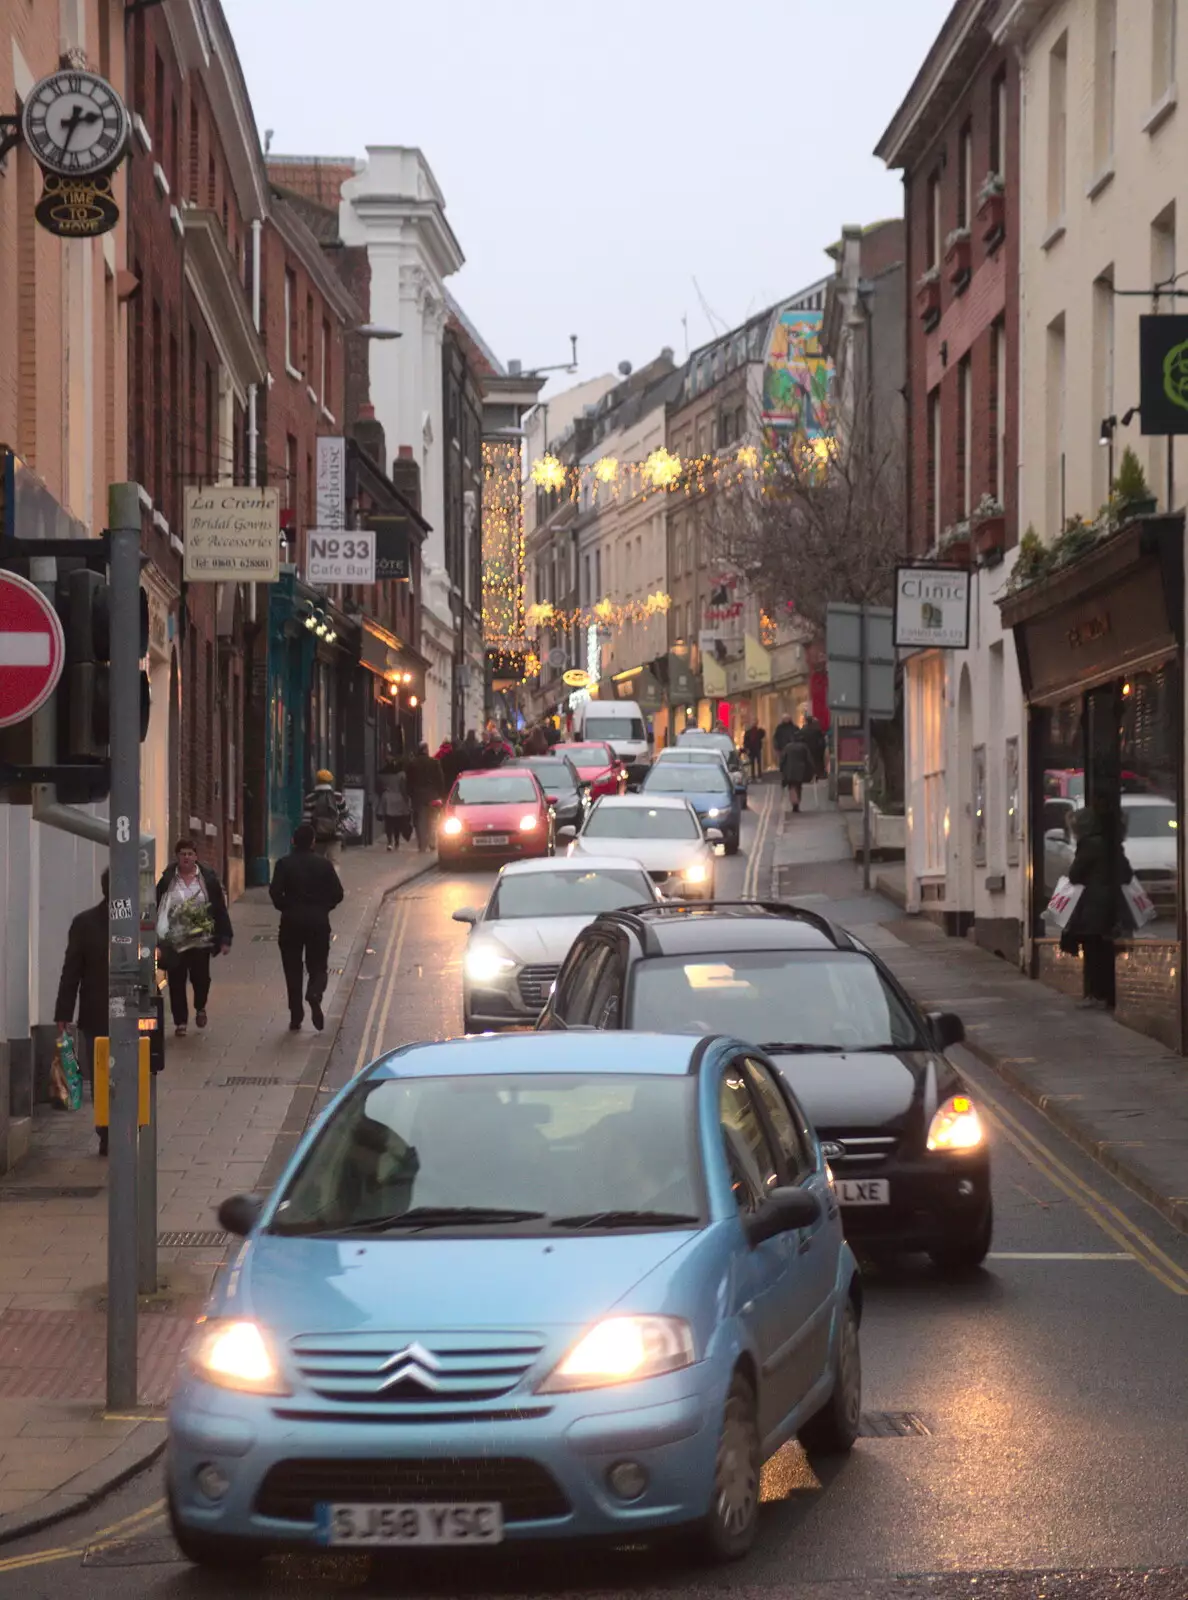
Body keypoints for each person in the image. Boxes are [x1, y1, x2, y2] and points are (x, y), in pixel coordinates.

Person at [54, 868, 112, 1156]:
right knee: (102, 1074)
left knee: (130, 1072)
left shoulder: (142, 922)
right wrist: (63, 1013)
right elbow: (72, 971)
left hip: (134, 1013)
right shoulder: (85, 923)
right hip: (97, 1013)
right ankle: (106, 1131)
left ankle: (128, 1124)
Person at [269, 822, 345, 1031]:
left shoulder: (284, 864)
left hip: (291, 922)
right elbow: (338, 894)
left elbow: (275, 893)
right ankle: (315, 993)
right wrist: (324, 908)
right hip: (318, 923)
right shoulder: (324, 865)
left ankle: (296, 1015)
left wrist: (286, 907)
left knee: (292, 969)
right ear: (313, 841)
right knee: (318, 966)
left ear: (293, 841)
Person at [1061, 803, 1134, 1009]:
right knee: (1106, 949)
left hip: (1093, 906)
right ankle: (1109, 994)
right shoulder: (1112, 844)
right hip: (1112, 905)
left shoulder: (1088, 845)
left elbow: (1075, 875)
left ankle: (1096, 993)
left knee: (1093, 950)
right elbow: (1126, 874)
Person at [156, 840, 233, 1036]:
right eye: (183, 854)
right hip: (176, 939)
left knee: (201, 979)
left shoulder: (206, 880)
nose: (187, 858)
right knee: (176, 980)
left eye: (190, 854)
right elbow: (156, 906)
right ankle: (180, 1021)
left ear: (196, 857)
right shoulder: (168, 880)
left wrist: (224, 938)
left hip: (201, 939)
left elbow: (219, 909)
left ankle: (200, 1007)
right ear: (177, 857)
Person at [303, 769, 349, 862]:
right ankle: (332, 876)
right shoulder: (338, 796)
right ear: (330, 781)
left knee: (316, 862)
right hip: (335, 833)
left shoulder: (310, 797)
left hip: (317, 834)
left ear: (317, 780)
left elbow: (306, 820)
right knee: (334, 861)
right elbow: (345, 813)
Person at [406, 742, 445, 850]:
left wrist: (410, 794)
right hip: (433, 795)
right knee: (432, 820)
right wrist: (441, 794)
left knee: (420, 821)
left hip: (418, 796)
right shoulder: (434, 762)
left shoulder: (413, 764)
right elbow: (440, 779)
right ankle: (432, 841)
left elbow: (409, 781)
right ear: (426, 750)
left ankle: (422, 844)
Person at [375, 762, 412, 851]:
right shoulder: (401, 775)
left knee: (388, 822)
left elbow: (378, 788)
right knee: (397, 822)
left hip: (387, 799)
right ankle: (396, 841)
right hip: (399, 799)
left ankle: (389, 842)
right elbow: (403, 788)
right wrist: (407, 800)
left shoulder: (382, 775)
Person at [780, 731, 815, 813]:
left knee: (791, 786)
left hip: (789, 770)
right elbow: (809, 759)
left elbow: (782, 759)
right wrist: (813, 769)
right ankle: (797, 803)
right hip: (800, 770)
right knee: (798, 786)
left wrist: (782, 769)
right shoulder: (803, 747)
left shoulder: (787, 747)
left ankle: (794, 803)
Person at [801, 714, 827, 780]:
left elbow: (800, 740)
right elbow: (821, 741)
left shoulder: (803, 730)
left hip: (807, 749)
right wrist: (822, 749)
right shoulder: (817, 730)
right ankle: (818, 774)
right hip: (816, 749)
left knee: (808, 762)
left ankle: (809, 775)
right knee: (817, 762)